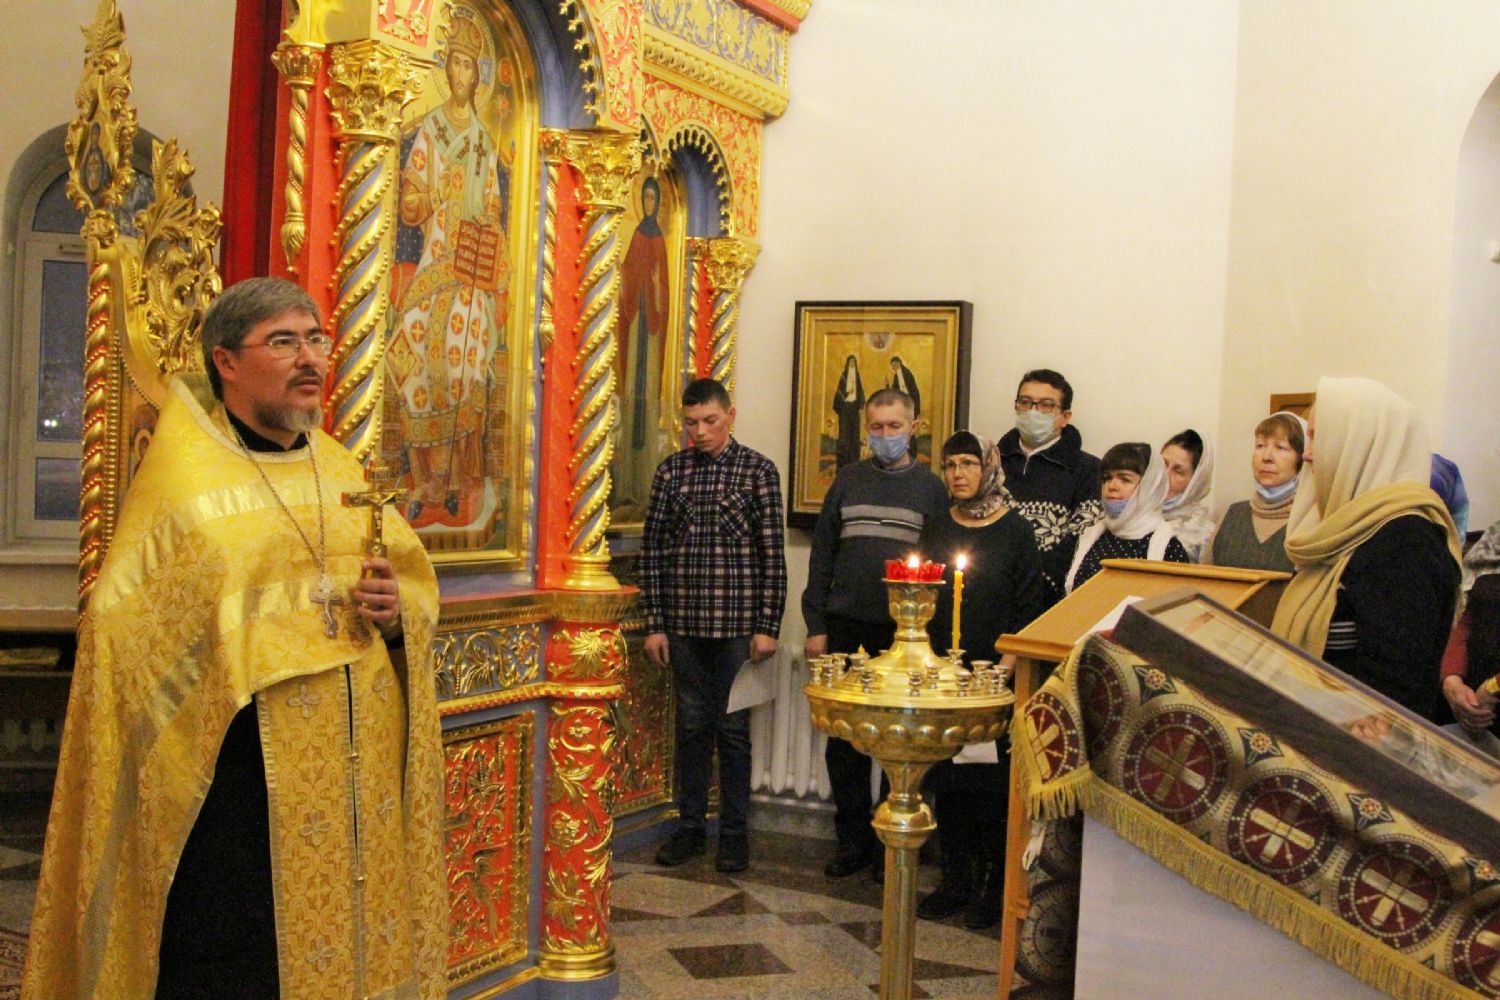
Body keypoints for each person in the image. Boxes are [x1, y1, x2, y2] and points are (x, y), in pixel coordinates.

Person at [22, 278, 446, 1000]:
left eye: (315, 339)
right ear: (226, 360)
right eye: (283, 341)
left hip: (356, 775)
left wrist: (395, 609)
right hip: (240, 781)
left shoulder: (339, 465)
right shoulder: (185, 481)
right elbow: (127, 633)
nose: (309, 359)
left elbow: (407, 584)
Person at [642, 378, 787, 874]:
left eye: (710, 421)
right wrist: (655, 624)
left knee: (733, 732)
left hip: (737, 627)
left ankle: (734, 834)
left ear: (730, 416)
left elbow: (773, 555)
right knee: (691, 728)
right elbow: (653, 553)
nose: (700, 431)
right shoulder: (671, 472)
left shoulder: (758, 471)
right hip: (684, 625)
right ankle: (690, 827)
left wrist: (768, 625)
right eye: (691, 423)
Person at [803, 388, 948, 880]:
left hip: (904, 635)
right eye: (876, 427)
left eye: (894, 427)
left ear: (914, 427)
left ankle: (894, 846)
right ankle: (851, 842)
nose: (884, 435)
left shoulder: (931, 489)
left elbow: (939, 566)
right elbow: (822, 555)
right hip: (846, 626)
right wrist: (816, 625)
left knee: (900, 740)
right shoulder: (848, 480)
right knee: (845, 741)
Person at [1271, 376, 1460, 720]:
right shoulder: (1338, 527)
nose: (1307, 454)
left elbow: (1395, 688)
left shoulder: (1407, 541)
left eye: (1319, 436)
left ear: (1361, 444)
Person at [919, 431, 1046, 928]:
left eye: (969, 464)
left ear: (988, 468)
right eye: (951, 465)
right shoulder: (937, 526)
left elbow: (1028, 607)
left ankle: (994, 886)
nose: (959, 474)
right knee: (949, 781)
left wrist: (1003, 672)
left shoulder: (1015, 531)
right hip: (945, 676)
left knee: (990, 786)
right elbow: (923, 598)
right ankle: (955, 880)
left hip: (997, 677)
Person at [389, 11, 509, 529]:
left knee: (466, 364)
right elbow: (410, 199)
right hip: (436, 259)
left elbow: (494, 206)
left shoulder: (482, 139)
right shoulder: (431, 130)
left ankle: (463, 480)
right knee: (411, 350)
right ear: (446, 70)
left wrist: (488, 223)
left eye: (468, 67)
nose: (461, 75)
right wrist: (434, 193)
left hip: (471, 269)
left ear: (478, 76)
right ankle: (425, 480)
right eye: (454, 64)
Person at [997, 368, 1102, 601]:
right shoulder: (990, 465)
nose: (1033, 411)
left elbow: (1081, 540)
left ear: (1065, 416)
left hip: (1050, 597)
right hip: (992, 591)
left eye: (1046, 405)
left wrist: (1033, 586)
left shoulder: (1089, 470)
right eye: (1025, 402)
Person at [615, 175, 671, 510]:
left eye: (653, 198)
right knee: (632, 389)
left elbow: (664, 286)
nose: (649, 203)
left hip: (650, 326)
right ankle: (627, 483)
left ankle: (646, 482)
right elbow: (627, 271)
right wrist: (624, 275)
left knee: (647, 391)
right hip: (636, 320)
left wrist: (655, 285)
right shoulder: (637, 234)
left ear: (659, 203)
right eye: (645, 198)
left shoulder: (660, 240)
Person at [1065, 442, 1190, 592]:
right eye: (1107, 478)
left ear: (1150, 487)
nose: (1112, 486)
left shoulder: (1169, 548)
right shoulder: (1092, 536)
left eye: (1125, 479)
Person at [1208, 412, 1304, 572]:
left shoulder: (1308, 520)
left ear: (1301, 459)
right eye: (1260, 446)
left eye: (1280, 447)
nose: (1267, 457)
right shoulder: (1232, 514)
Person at [1440, 519, 1500, 735]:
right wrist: (1452, 680)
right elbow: (1467, 613)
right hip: (1475, 710)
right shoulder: (1494, 537)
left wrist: (1493, 688)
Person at [1160, 428, 1215, 562]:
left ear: (1195, 482)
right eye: (1162, 464)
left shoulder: (1203, 536)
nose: (1165, 475)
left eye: (1178, 471)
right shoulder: (1132, 513)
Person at [831, 354, 866, 469]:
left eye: (853, 362)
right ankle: (842, 464)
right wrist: (847, 392)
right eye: (850, 362)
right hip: (845, 408)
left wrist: (860, 403)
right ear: (847, 363)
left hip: (854, 408)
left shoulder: (857, 376)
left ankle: (854, 463)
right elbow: (839, 392)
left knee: (854, 435)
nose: (852, 364)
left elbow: (860, 391)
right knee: (844, 435)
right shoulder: (844, 376)